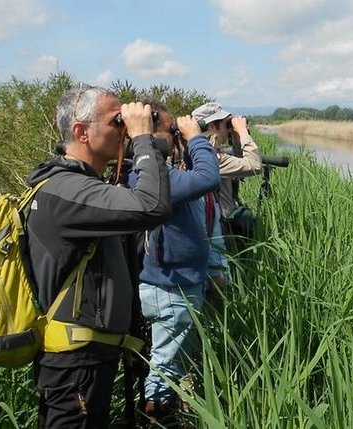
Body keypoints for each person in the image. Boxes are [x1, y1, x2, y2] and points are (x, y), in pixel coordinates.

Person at [25, 84, 172, 427]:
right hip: (74, 365)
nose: (124, 129)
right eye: (116, 121)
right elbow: (152, 205)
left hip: (88, 358)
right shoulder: (66, 190)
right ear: (81, 132)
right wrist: (144, 140)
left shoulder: (84, 187)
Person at [128, 102, 220, 427]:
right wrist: (195, 138)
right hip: (171, 290)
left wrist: (187, 143)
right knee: (165, 366)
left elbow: (197, 178)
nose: (174, 136)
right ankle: (156, 419)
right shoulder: (159, 180)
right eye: (171, 130)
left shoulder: (157, 176)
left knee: (167, 360)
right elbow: (208, 178)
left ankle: (161, 411)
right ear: (152, 135)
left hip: (171, 286)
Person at [190, 102, 262, 250]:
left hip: (206, 226)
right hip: (220, 229)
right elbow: (254, 166)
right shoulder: (212, 157)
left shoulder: (196, 151)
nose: (228, 128)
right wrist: (242, 131)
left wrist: (236, 140)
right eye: (225, 124)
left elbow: (237, 164)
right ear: (211, 127)